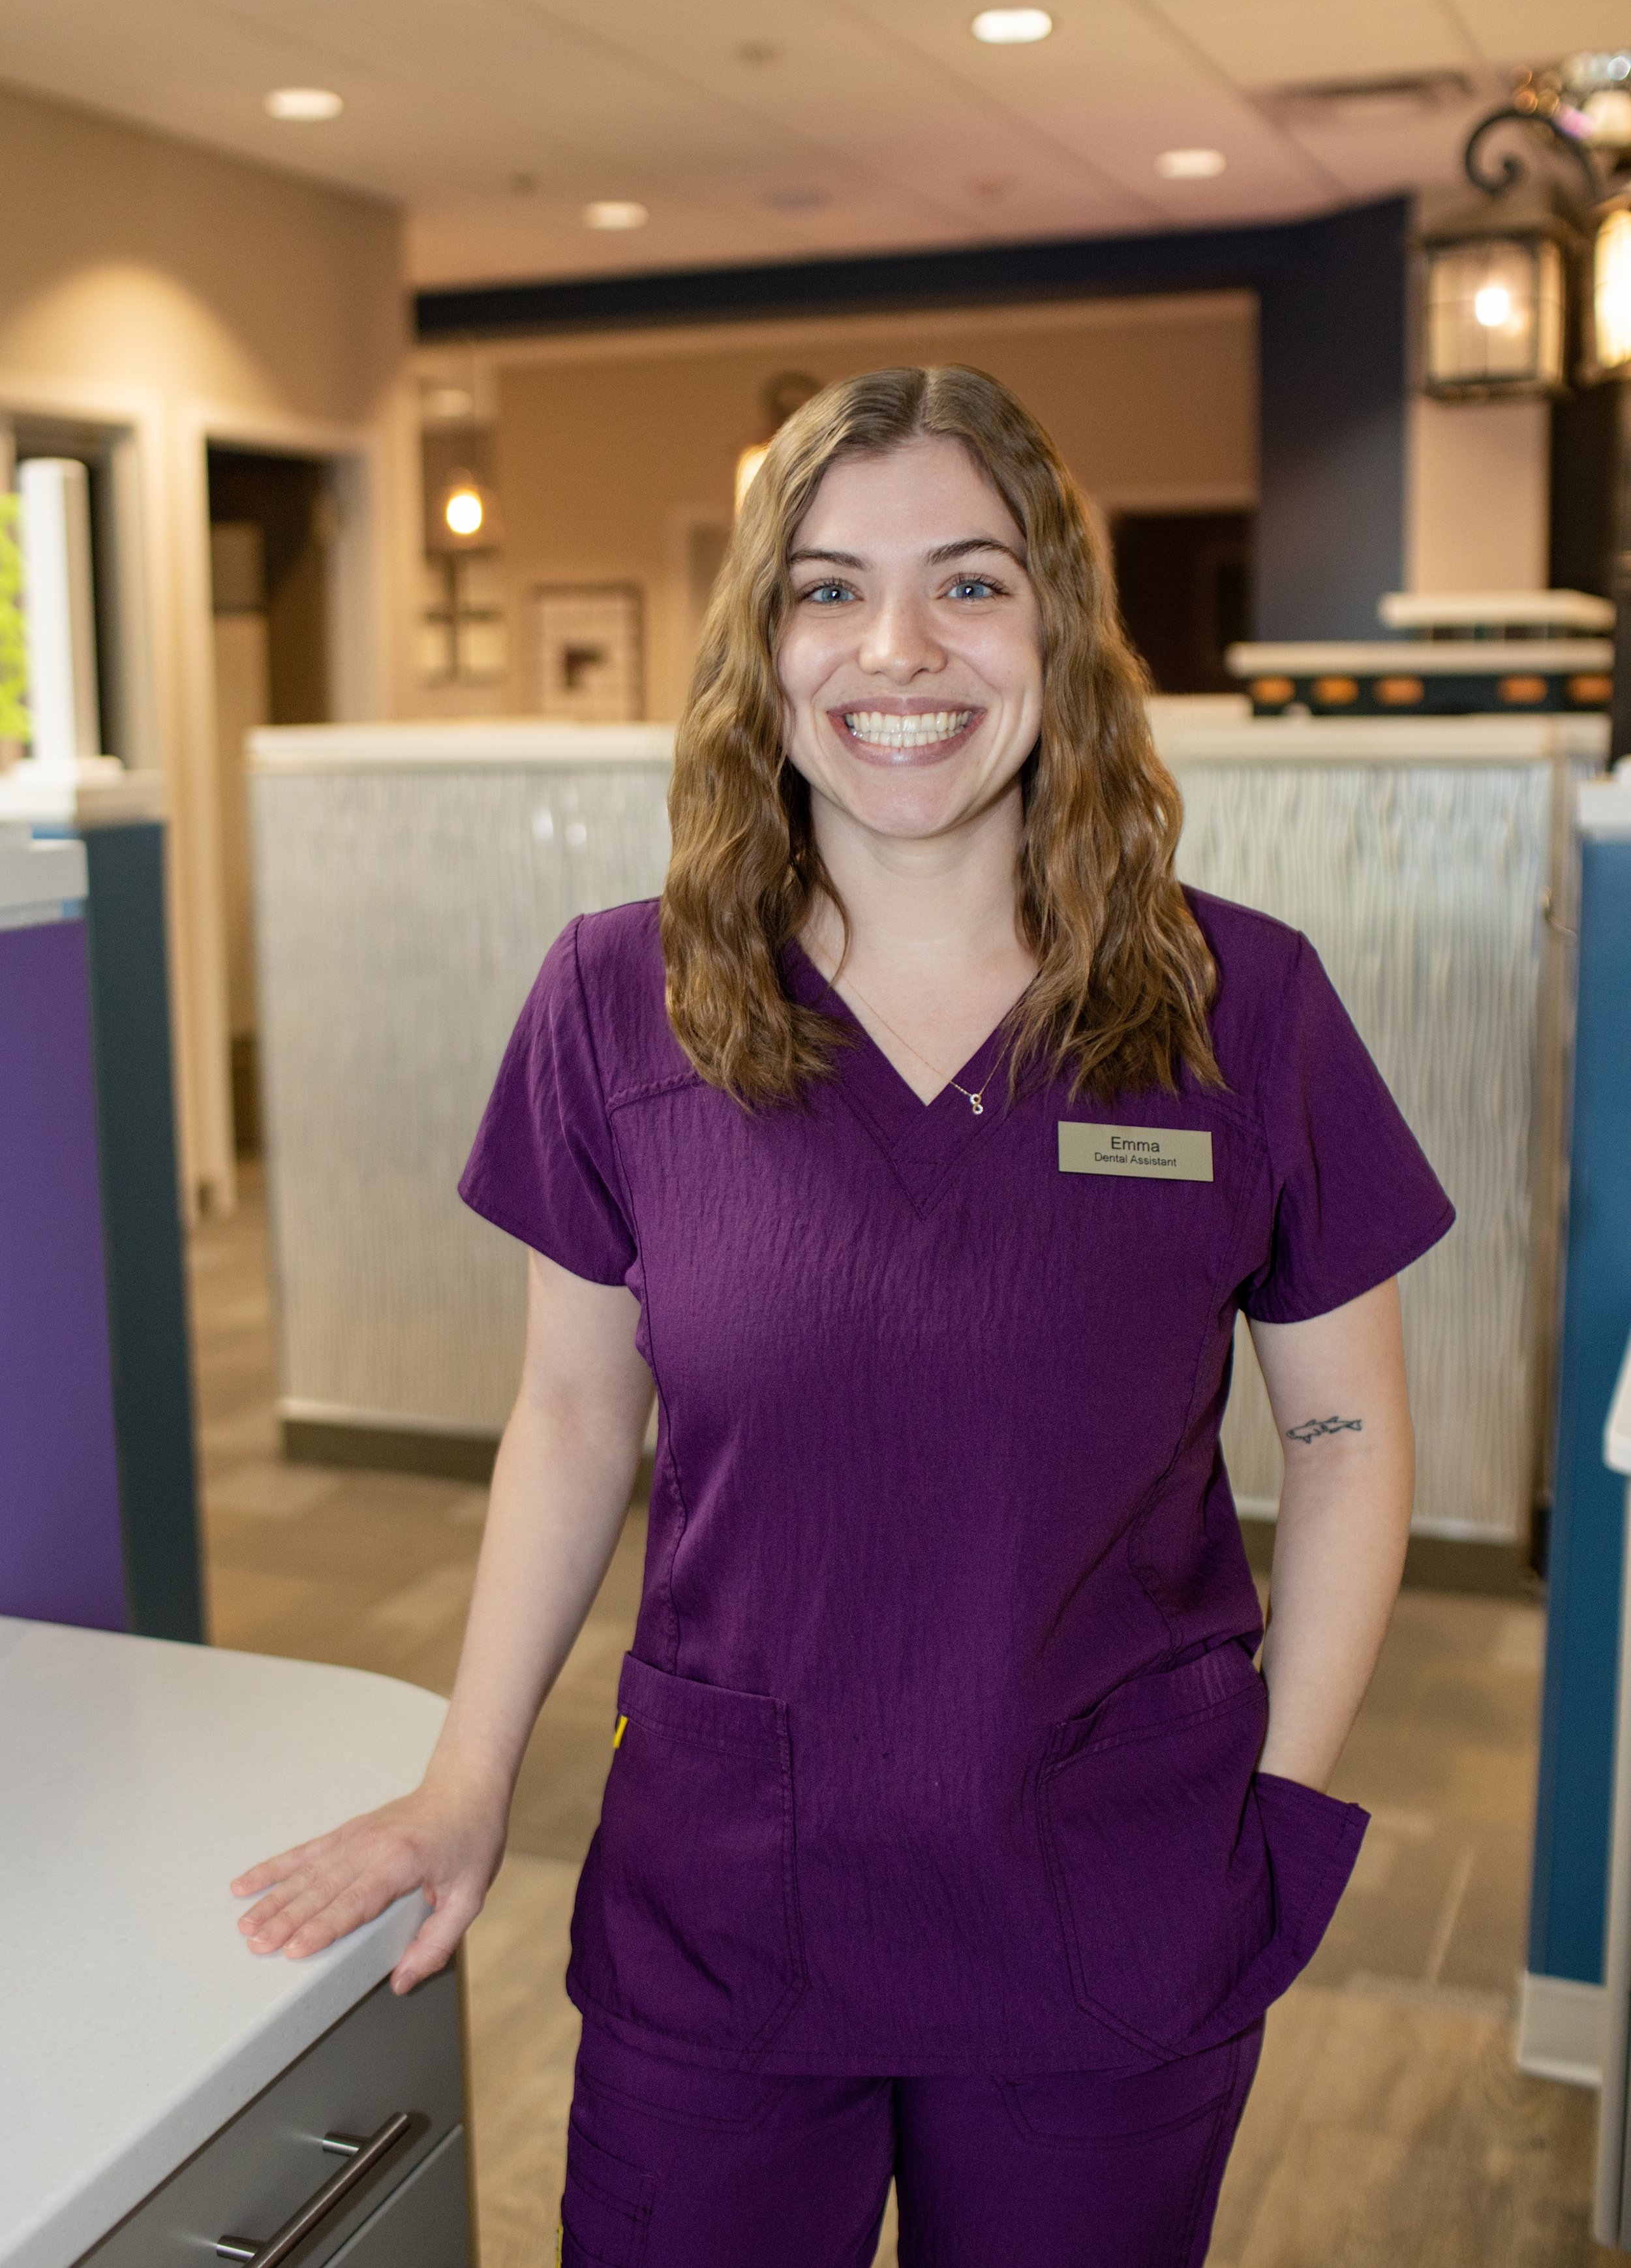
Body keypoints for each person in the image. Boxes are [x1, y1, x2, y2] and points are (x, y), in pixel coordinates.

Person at [233, 365, 1454, 2265]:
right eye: (827, 588)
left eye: (970, 582)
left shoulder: (1240, 1005)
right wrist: (465, 1783)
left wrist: (1273, 1807)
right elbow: (571, 1417)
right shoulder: (615, 999)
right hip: (729, 1912)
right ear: (761, 642)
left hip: (1104, 1910)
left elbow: (1348, 1434)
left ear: (1058, 624)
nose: (898, 648)